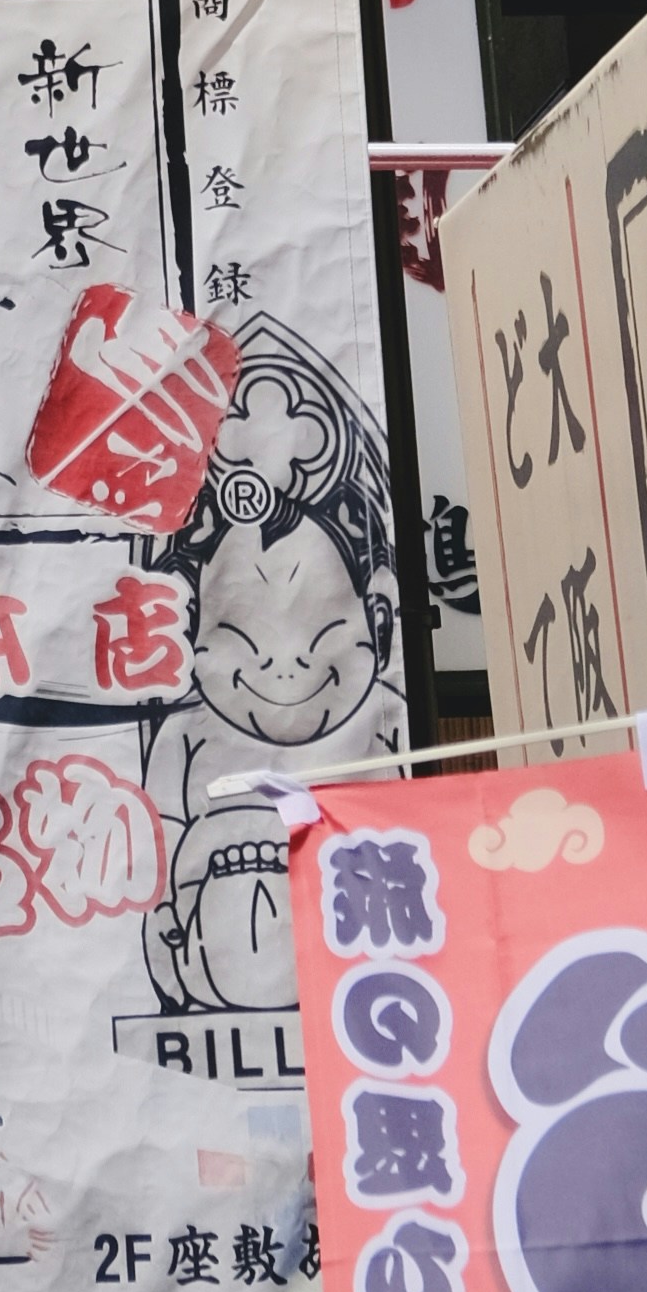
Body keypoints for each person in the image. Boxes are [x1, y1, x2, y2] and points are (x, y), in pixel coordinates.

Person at [137, 325, 402, 1018]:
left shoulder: (391, 712)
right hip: (208, 955)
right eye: (237, 640)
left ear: (378, 614)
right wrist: (166, 919)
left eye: (321, 635)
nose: (282, 665)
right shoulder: (185, 733)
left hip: (366, 940)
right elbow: (159, 852)